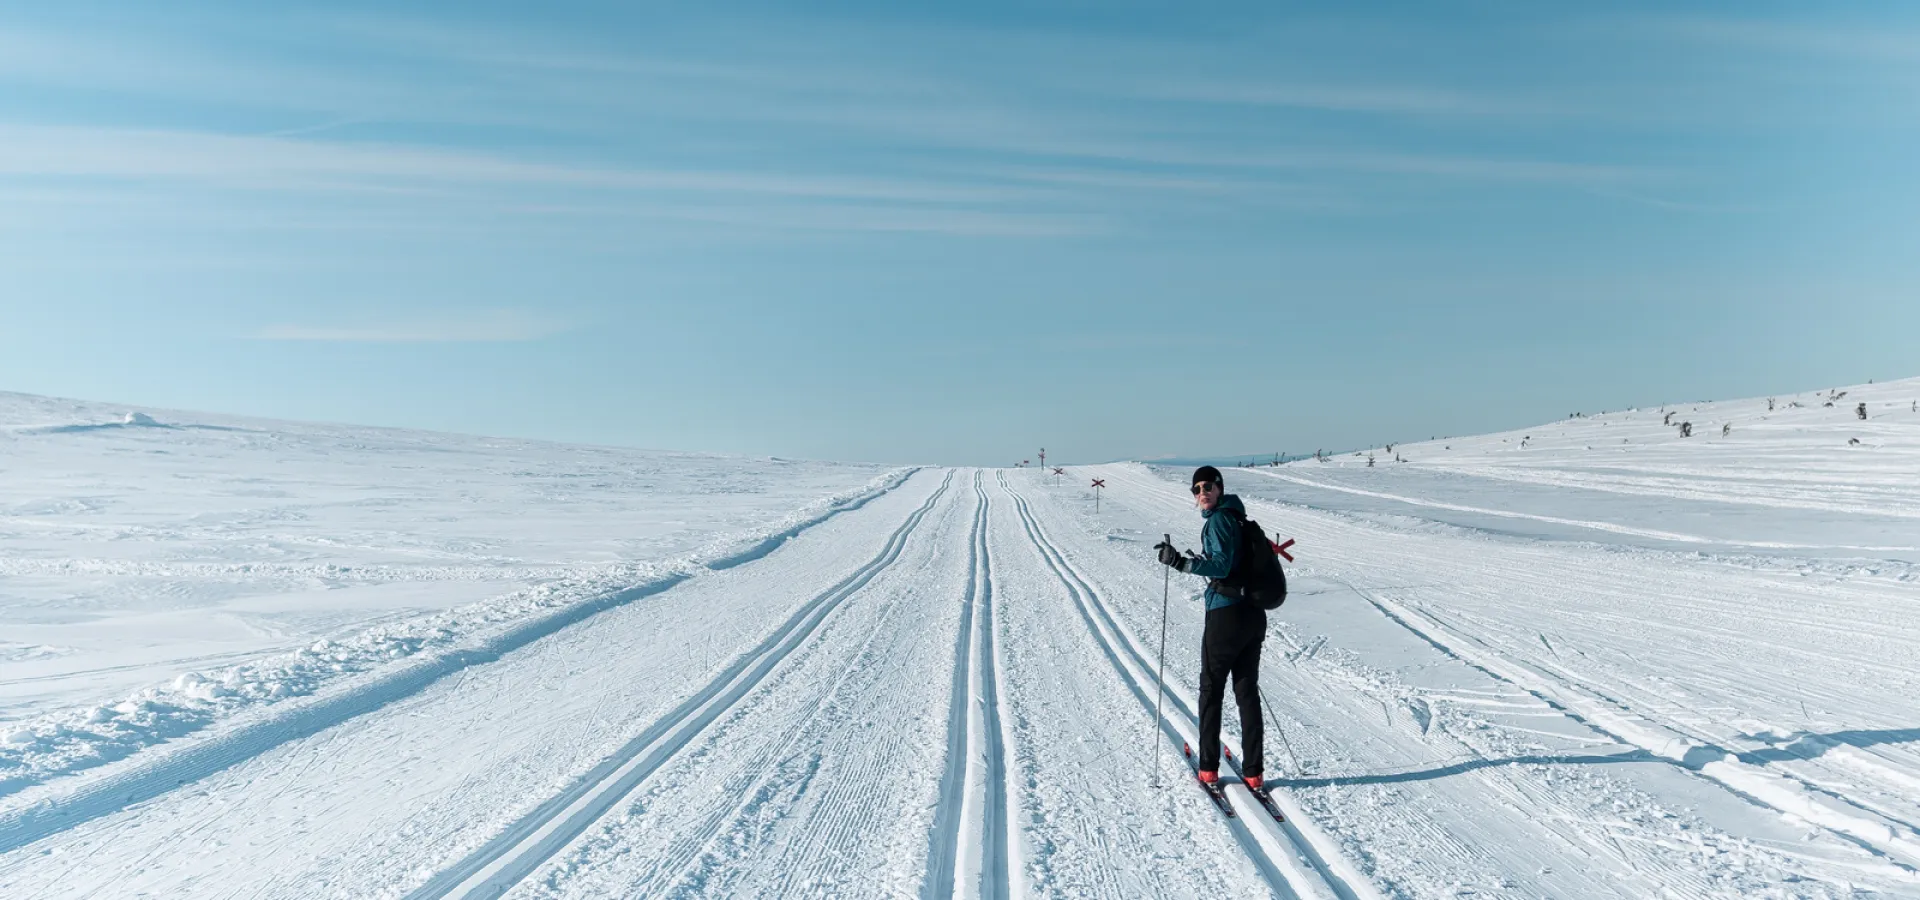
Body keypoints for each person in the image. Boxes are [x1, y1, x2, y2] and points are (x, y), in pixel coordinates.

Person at [1154, 465, 1265, 790]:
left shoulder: (1218, 520)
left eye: (1207, 487)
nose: (1202, 493)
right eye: (1196, 489)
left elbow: (1221, 564)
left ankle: (1208, 768)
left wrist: (1181, 562)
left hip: (1226, 616)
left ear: (1219, 488)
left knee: (1211, 689)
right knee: (1246, 691)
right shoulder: (1240, 519)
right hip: (1253, 615)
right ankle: (1254, 772)